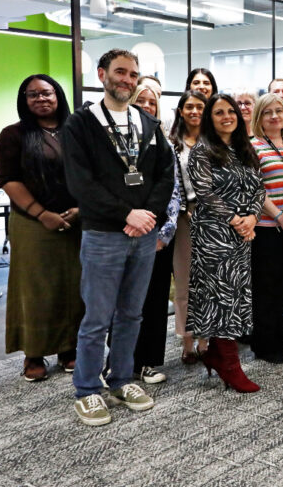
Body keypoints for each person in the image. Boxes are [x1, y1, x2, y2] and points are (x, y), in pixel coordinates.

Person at [62, 49, 175, 426]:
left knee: (132, 313)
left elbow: (165, 176)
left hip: (143, 234)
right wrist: (127, 213)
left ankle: (121, 378)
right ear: (102, 74)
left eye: (133, 74)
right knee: (97, 316)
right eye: (120, 72)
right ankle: (87, 390)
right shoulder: (81, 124)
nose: (127, 80)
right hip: (104, 234)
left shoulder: (147, 123)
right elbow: (81, 183)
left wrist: (148, 217)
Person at [0, 74, 83, 383]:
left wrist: (81, 208)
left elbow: (93, 172)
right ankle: (34, 353)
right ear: (24, 100)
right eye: (33, 95)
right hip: (33, 222)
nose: (41, 99)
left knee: (73, 286)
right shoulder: (13, 135)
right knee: (36, 289)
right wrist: (41, 213)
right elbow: (9, 179)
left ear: (58, 95)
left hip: (77, 220)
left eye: (46, 93)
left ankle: (68, 348)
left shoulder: (76, 131)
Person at [186, 94, 265, 393]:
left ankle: (217, 356)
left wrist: (253, 218)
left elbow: (260, 187)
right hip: (214, 234)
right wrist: (237, 220)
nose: (227, 116)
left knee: (236, 294)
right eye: (219, 112)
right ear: (210, 118)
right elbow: (204, 192)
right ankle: (230, 365)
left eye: (231, 111)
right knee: (222, 297)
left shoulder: (245, 149)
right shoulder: (202, 150)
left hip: (243, 234)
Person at [125, 82, 180, 385]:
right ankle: (119, 362)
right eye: (141, 101)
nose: (147, 106)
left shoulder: (164, 142)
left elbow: (172, 191)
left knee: (155, 300)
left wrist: (164, 233)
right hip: (122, 232)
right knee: (125, 302)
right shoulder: (115, 141)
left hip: (157, 236)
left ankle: (147, 361)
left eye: (152, 102)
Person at [249, 93, 283, 363]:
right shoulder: (252, 146)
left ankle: (278, 338)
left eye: (279, 111)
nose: (274, 116)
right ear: (259, 117)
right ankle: (264, 344)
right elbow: (253, 189)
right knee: (266, 288)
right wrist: (279, 214)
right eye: (267, 112)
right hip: (267, 227)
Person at [168, 90, 210, 364]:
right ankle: (186, 339)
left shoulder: (215, 142)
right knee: (185, 282)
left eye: (200, 107)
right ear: (181, 111)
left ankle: (206, 340)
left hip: (214, 220)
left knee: (210, 282)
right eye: (189, 107)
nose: (194, 111)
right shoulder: (171, 144)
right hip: (184, 218)